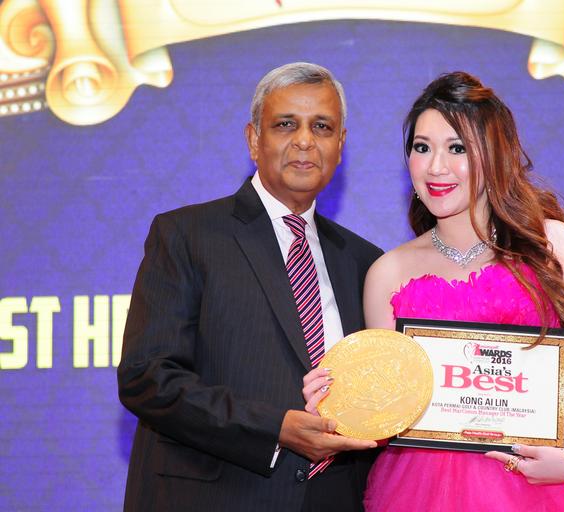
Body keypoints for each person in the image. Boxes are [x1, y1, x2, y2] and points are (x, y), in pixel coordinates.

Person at [359, 72, 564, 510]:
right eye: (422, 147)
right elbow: (392, 409)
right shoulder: (387, 273)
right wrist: (344, 398)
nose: (435, 167)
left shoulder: (551, 244)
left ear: (494, 153)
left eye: (457, 148)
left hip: (549, 484)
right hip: (429, 491)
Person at [117, 62, 382, 512]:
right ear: (254, 139)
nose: (305, 140)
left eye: (322, 126)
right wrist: (273, 428)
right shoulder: (187, 235)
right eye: (285, 124)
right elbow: (147, 377)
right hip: (216, 497)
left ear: (340, 144)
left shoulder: (364, 261)